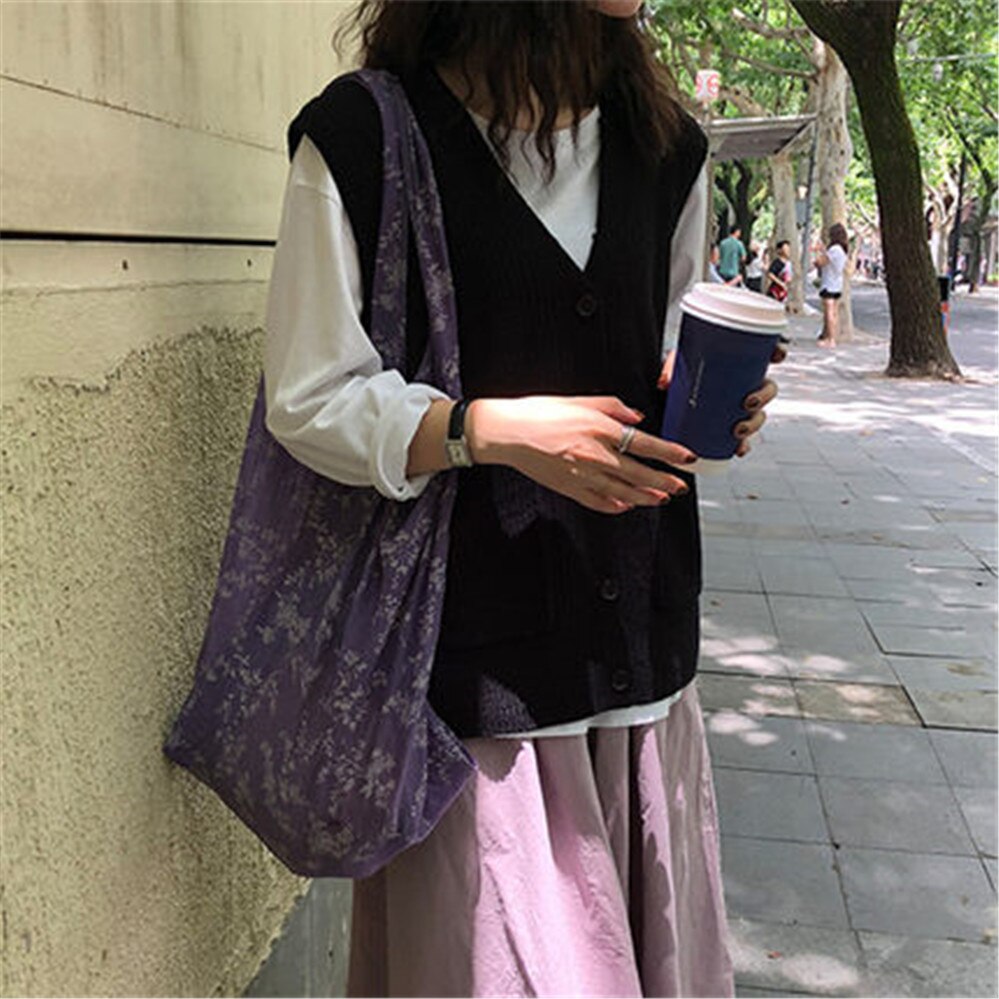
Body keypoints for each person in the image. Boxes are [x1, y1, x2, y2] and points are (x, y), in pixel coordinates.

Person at [264, 2, 782, 995]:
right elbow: (309, 393)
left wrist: (717, 409)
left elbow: (658, 354)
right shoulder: (366, 139)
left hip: (640, 673)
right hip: (476, 693)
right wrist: (485, 429)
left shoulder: (664, 147)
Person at [815, 222, 848, 346]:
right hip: (837, 284)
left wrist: (818, 252)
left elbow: (820, 262)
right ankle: (831, 337)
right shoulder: (842, 250)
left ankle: (831, 339)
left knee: (829, 313)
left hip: (829, 284)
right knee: (834, 312)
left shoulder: (834, 249)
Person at [766, 238, 792, 303]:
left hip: (783, 292)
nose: (788, 250)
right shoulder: (777, 262)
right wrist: (781, 283)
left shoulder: (788, 263)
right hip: (775, 291)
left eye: (789, 248)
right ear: (780, 250)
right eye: (786, 248)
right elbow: (770, 274)